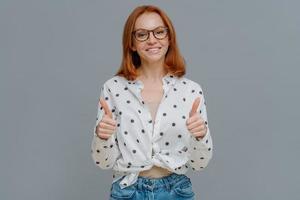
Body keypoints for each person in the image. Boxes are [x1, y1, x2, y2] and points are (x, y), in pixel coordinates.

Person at [91, 5, 213, 200]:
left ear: (169, 37)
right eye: (142, 34)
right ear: (131, 43)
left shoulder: (191, 91)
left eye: (159, 32)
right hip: (128, 191)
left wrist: (201, 136)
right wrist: (102, 138)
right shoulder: (113, 88)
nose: (152, 40)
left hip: (176, 191)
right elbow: (103, 162)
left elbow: (200, 163)